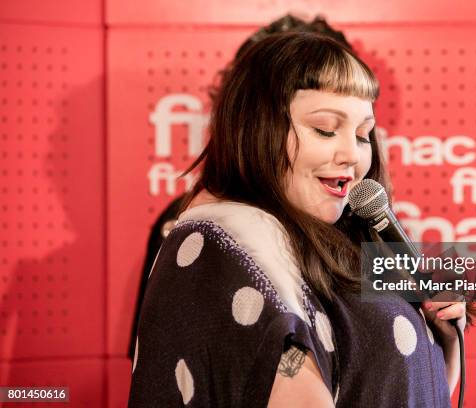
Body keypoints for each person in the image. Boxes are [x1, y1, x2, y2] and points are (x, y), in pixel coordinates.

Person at [129, 31, 476, 407]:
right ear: (257, 129)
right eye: (325, 129)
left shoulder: (355, 229)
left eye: (363, 135)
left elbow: (397, 389)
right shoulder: (225, 239)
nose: (351, 155)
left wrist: (440, 343)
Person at [128, 14, 355, 360]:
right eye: (323, 125)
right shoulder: (195, 223)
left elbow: (414, 363)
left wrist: (443, 318)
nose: (347, 151)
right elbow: (162, 365)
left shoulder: (367, 217)